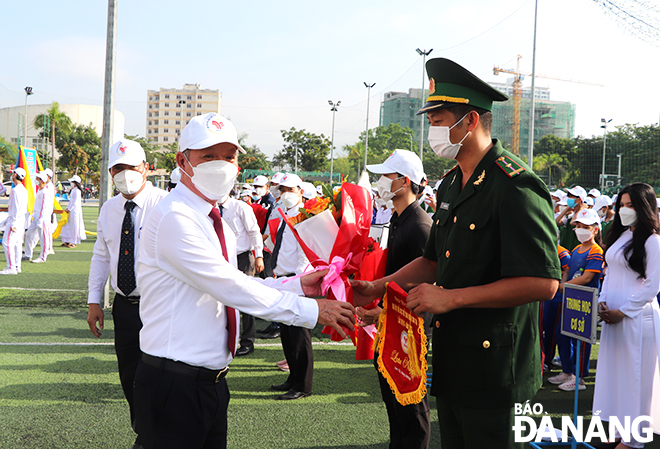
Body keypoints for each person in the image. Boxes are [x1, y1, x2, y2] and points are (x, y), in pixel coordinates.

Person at [351, 58, 560, 449]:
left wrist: (451, 298)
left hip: (498, 372)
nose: (431, 129)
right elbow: (431, 262)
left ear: (471, 122)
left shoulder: (515, 186)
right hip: (453, 364)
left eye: (439, 119)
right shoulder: (450, 186)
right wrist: (377, 286)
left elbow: (544, 283)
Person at [133, 113, 354, 449]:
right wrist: (311, 310)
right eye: (208, 156)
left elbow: (232, 282)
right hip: (174, 383)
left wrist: (299, 285)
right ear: (182, 161)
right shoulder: (175, 217)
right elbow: (230, 287)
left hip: (210, 382)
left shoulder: (207, 215)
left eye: (229, 156)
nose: (221, 165)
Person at [86, 139, 166, 449]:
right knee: (129, 373)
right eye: (117, 168)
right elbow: (102, 256)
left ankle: (157, 434)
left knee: (161, 373)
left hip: (160, 304)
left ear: (145, 169)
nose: (125, 174)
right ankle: (144, 432)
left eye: (131, 167)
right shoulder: (109, 208)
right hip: (125, 306)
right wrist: (95, 300)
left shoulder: (165, 204)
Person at [361, 149, 432, 449]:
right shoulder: (398, 219)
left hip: (411, 333)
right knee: (394, 403)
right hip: (392, 325)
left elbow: (425, 285)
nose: (379, 182)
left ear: (404, 182)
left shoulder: (420, 226)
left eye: (385, 177)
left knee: (411, 406)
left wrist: (380, 315)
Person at [593, 183, 660, 449]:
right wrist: (604, 302)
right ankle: (620, 429)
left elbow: (653, 285)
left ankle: (633, 440)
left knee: (635, 377)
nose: (624, 210)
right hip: (614, 316)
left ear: (644, 207)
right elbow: (609, 274)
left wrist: (624, 311)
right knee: (616, 375)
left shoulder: (653, 241)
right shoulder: (620, 237)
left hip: (637, 319)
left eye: (631, 205)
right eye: (622, 205)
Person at [267, 173, 316, 400]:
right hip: (283, 278)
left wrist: (298, 281)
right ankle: (293, 378)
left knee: (299, 334)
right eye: (282, 189)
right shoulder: (285, 214)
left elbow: (305, 254)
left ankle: (303, 384)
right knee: (287, 333)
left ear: (300, 191)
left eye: (290, 189)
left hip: (296, 280)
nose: (285, 193)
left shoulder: (304, 217)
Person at [548, 209, 603, 391]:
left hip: (585, 302)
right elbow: (567, 271)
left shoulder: (596, 251)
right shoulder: (576, 249)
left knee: (582, 340)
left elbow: (587, 278)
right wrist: (564, 284)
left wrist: (564, 286)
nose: (580, 229)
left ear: (595, 230)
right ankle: (567, 370)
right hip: (570, 299)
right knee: (562, 335)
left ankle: (579, 378)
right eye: (578, 226)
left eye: (585, 227)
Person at [219, 194, 265, 356]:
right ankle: (225, 338)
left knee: (246, 300)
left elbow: (254, 232)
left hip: (243, 257)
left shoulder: (240, 207)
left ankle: (247, 341)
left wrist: (259, 256)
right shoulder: (209, 207)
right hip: (221, 259)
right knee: (222, 300)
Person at [1, 168, 28, 275]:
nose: (12, 175)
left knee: (7, 243)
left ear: (16, 175)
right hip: (19, 220)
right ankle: (17, 266)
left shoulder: (16, 190)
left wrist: (12, 223)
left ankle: (11, 267)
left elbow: (15, 208)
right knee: (17, 244)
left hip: (15, 220)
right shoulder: (22, 189)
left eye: (13, 173)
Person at [23, 172, 54, 263]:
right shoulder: (40, 191)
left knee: (43, 238)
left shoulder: (45, 192)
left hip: (42, 219)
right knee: (29, 235)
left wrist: (41, 218)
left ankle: (42, 257)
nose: (36, 180)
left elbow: (44, 207)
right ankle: (28, 254)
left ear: (41, 181)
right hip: (36, 217)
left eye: (37, 178)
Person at [60, 175, 86, 248]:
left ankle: (73, 241)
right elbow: (71, 201)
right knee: (67, 224)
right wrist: (67, 208)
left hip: (75, 210)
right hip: (71, 210)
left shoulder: (77, 191)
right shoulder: (73, 190)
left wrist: (69, 209)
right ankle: (67, 240)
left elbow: (75, 202)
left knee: (74, 225)